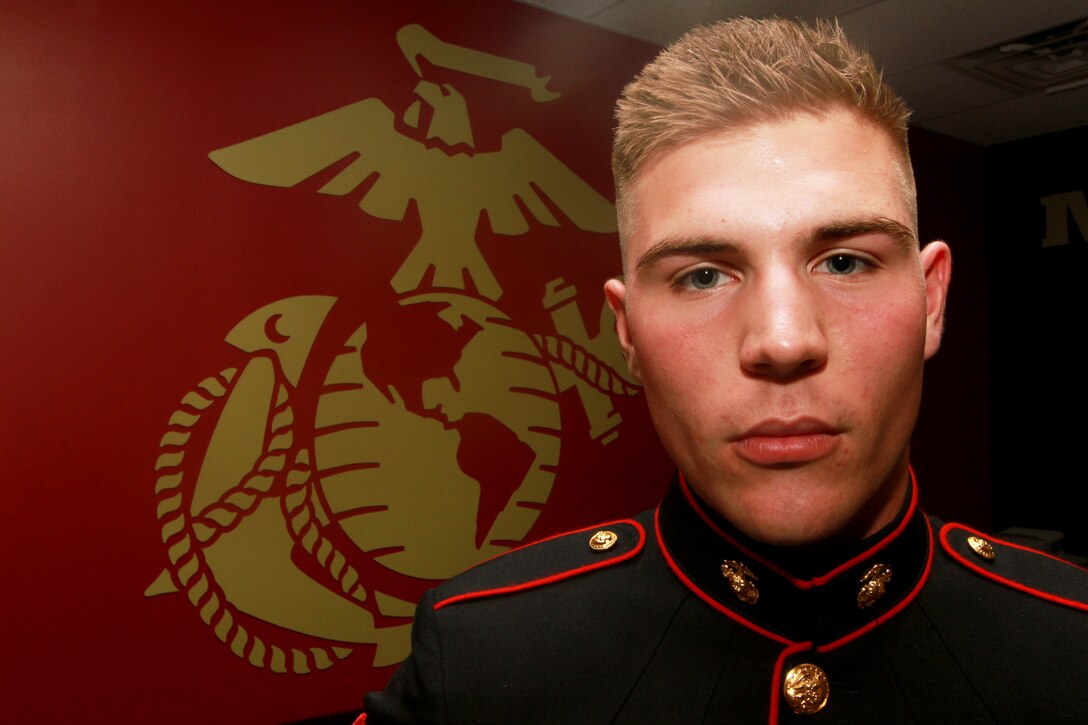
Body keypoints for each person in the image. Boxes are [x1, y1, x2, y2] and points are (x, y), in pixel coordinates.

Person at [360, 17, 1088, 723]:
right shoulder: (476, 663)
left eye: (844, 261)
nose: (781, 340)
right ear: (628, 333)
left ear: (931, 302)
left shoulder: (1070, 645)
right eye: (704, 275)